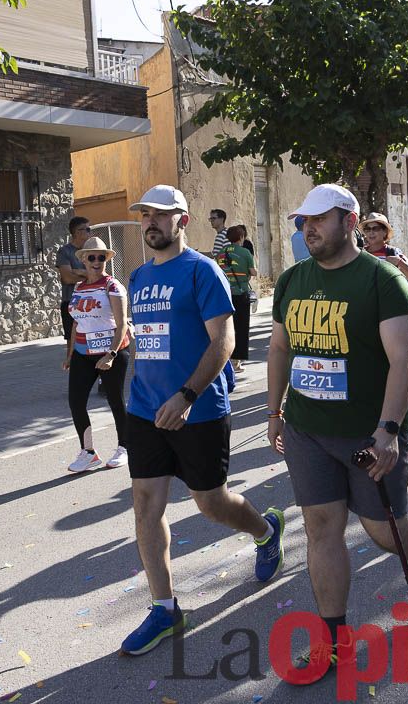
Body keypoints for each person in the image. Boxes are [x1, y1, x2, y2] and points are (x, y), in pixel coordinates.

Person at [268, 184, 408, 680]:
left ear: (349, 221)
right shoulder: (292, 280)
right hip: (307, 430)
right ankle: (333, 642)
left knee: (384, 531)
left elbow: (404, 358)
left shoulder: (382, 280)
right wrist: (274, 412)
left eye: (319, 219)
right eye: (304, 221)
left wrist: (388, 430)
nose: (309, 229)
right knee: (321, 529)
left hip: (369, 435)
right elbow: (280, 348)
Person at [120, 185, 284, 657]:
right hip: (145, 410)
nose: (151, 222)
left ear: (183, 220)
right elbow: (149, 341)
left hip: (199, 409)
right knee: (145, 506)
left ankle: (265, 531)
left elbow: (223, 341)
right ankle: (165, 608)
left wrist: (187, 394)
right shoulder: (137, 277)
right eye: (145, 215)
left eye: (161, 214)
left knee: (211, 504)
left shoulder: (202, 270)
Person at [62, 236, 130, 472]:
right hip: (83, 353)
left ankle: (124, 447)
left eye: (101, 257)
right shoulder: (79, 288)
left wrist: (111, 354)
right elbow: (75, 323)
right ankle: (88, 452)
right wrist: (70, 354)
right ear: (83, 260)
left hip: (111, 351)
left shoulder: (113, 286)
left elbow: (122, 324)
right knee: (76, 401)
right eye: (91, 257)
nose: (97, 261)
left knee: (115, 400)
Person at [218, 225, 256, 373]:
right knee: (241, 328)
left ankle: (225, 360)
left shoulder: (221, 252)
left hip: (225, 294)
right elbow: (253, 272)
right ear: (241, 237)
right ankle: (236, 363)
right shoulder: (245, 252)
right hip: (241, 294)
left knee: (227, 328)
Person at [56, 217, 92, 344]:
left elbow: (99, 275)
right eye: (87, 229)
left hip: (90, 302)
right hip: (71, 302)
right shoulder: (64, 252)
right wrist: (89, 276)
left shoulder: (90, 252)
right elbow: (67, 278)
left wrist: (80, 272)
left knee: (90, 341)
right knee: (72, 343)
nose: (90, 232)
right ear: (77, 232)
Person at [361, 212, 408, 282]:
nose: (371, 232)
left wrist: (400, 262)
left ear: (385, 232)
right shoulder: (361, 253)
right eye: (368, 229)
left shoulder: (393, 252)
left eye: (376, 228)